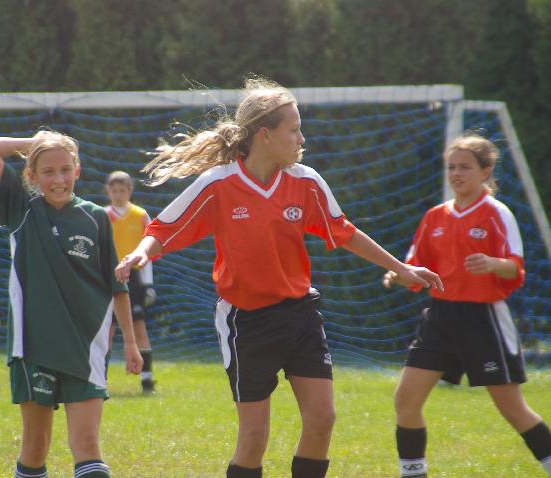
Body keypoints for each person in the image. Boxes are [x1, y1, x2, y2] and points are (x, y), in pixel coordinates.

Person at [114, 77, 443, 478]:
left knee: (322, 419)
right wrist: (140, 253)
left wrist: (402, 268)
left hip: (300, 314)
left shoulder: (305, 181)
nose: (302, 138)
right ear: (265, 136)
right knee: (254, 437)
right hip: (247, 322)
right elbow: (163, 230)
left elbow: (344, 231)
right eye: (294, 129)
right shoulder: (219, 184)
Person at [0, 131, 143, 478]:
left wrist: (130, 341)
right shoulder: (21, 208)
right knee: (35, 445)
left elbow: (116, 284)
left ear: (77, 171)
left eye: (66, 169)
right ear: (32, 175)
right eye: (48, 171)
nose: (58, 179)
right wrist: (38, 142)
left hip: (86, 345)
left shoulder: (95, 217)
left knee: (87, 443)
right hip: (34, 346)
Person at [383, 133, 551, 478]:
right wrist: (399, 275)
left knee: (512, 409)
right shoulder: (435, 216)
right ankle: (413, 474)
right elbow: (417, 268)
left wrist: (492, 264)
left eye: (465, 167)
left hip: (483, 317)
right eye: (451, 167)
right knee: (406, 400)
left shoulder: (496, 213)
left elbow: (515, 268)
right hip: (440, 318)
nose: (456, 174)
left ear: (485, 171)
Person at [104, 170, 158, 393]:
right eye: (114, 190)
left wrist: (148, 285)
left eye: (122, 190)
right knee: (106, 330)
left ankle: (147, 379)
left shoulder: (141, 215)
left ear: (130, 191)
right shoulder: (102, 216)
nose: (118, 195)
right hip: (107, 276)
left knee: (139, 327)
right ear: (108, 191)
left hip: (133, 278)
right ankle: (99, 380)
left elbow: (149, 253)